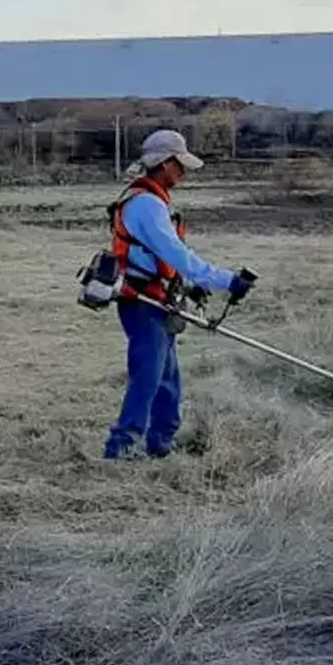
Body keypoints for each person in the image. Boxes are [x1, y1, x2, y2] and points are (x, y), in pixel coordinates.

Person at [103, 128, 256, 461]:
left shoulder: (150, 200)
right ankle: (122, 448)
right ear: (163, 163)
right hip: (142, 302)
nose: (183, 172)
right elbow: (178, 256)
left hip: (158, 300)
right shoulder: (146, 205)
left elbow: (164, 259)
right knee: (147, 378)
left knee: (167, 378)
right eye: (180, 164)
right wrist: (226, 280)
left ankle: (161, 442)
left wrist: (189, 286)